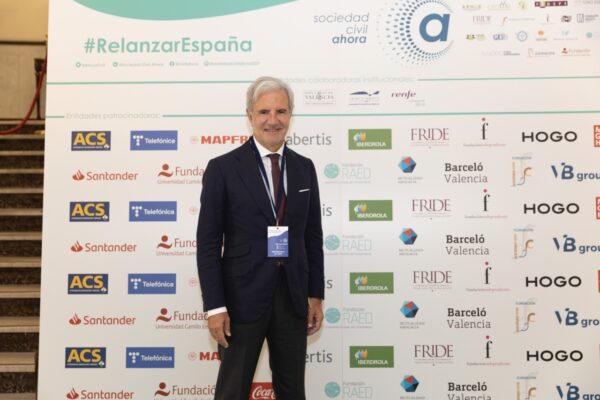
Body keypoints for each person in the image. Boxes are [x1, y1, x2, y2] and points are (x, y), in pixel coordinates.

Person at [196, 76, 325, 399]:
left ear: (290, 115)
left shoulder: (305, 168)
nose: (273, 120)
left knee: (292, 391)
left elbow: (312, 237)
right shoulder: (223, 168)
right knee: (232, 391)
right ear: (250, 115)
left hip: (293, 297)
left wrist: (315, 294)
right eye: (264, 111)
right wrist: (215, 307)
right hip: (240, 300)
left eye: (281, 111)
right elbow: (208, 243)